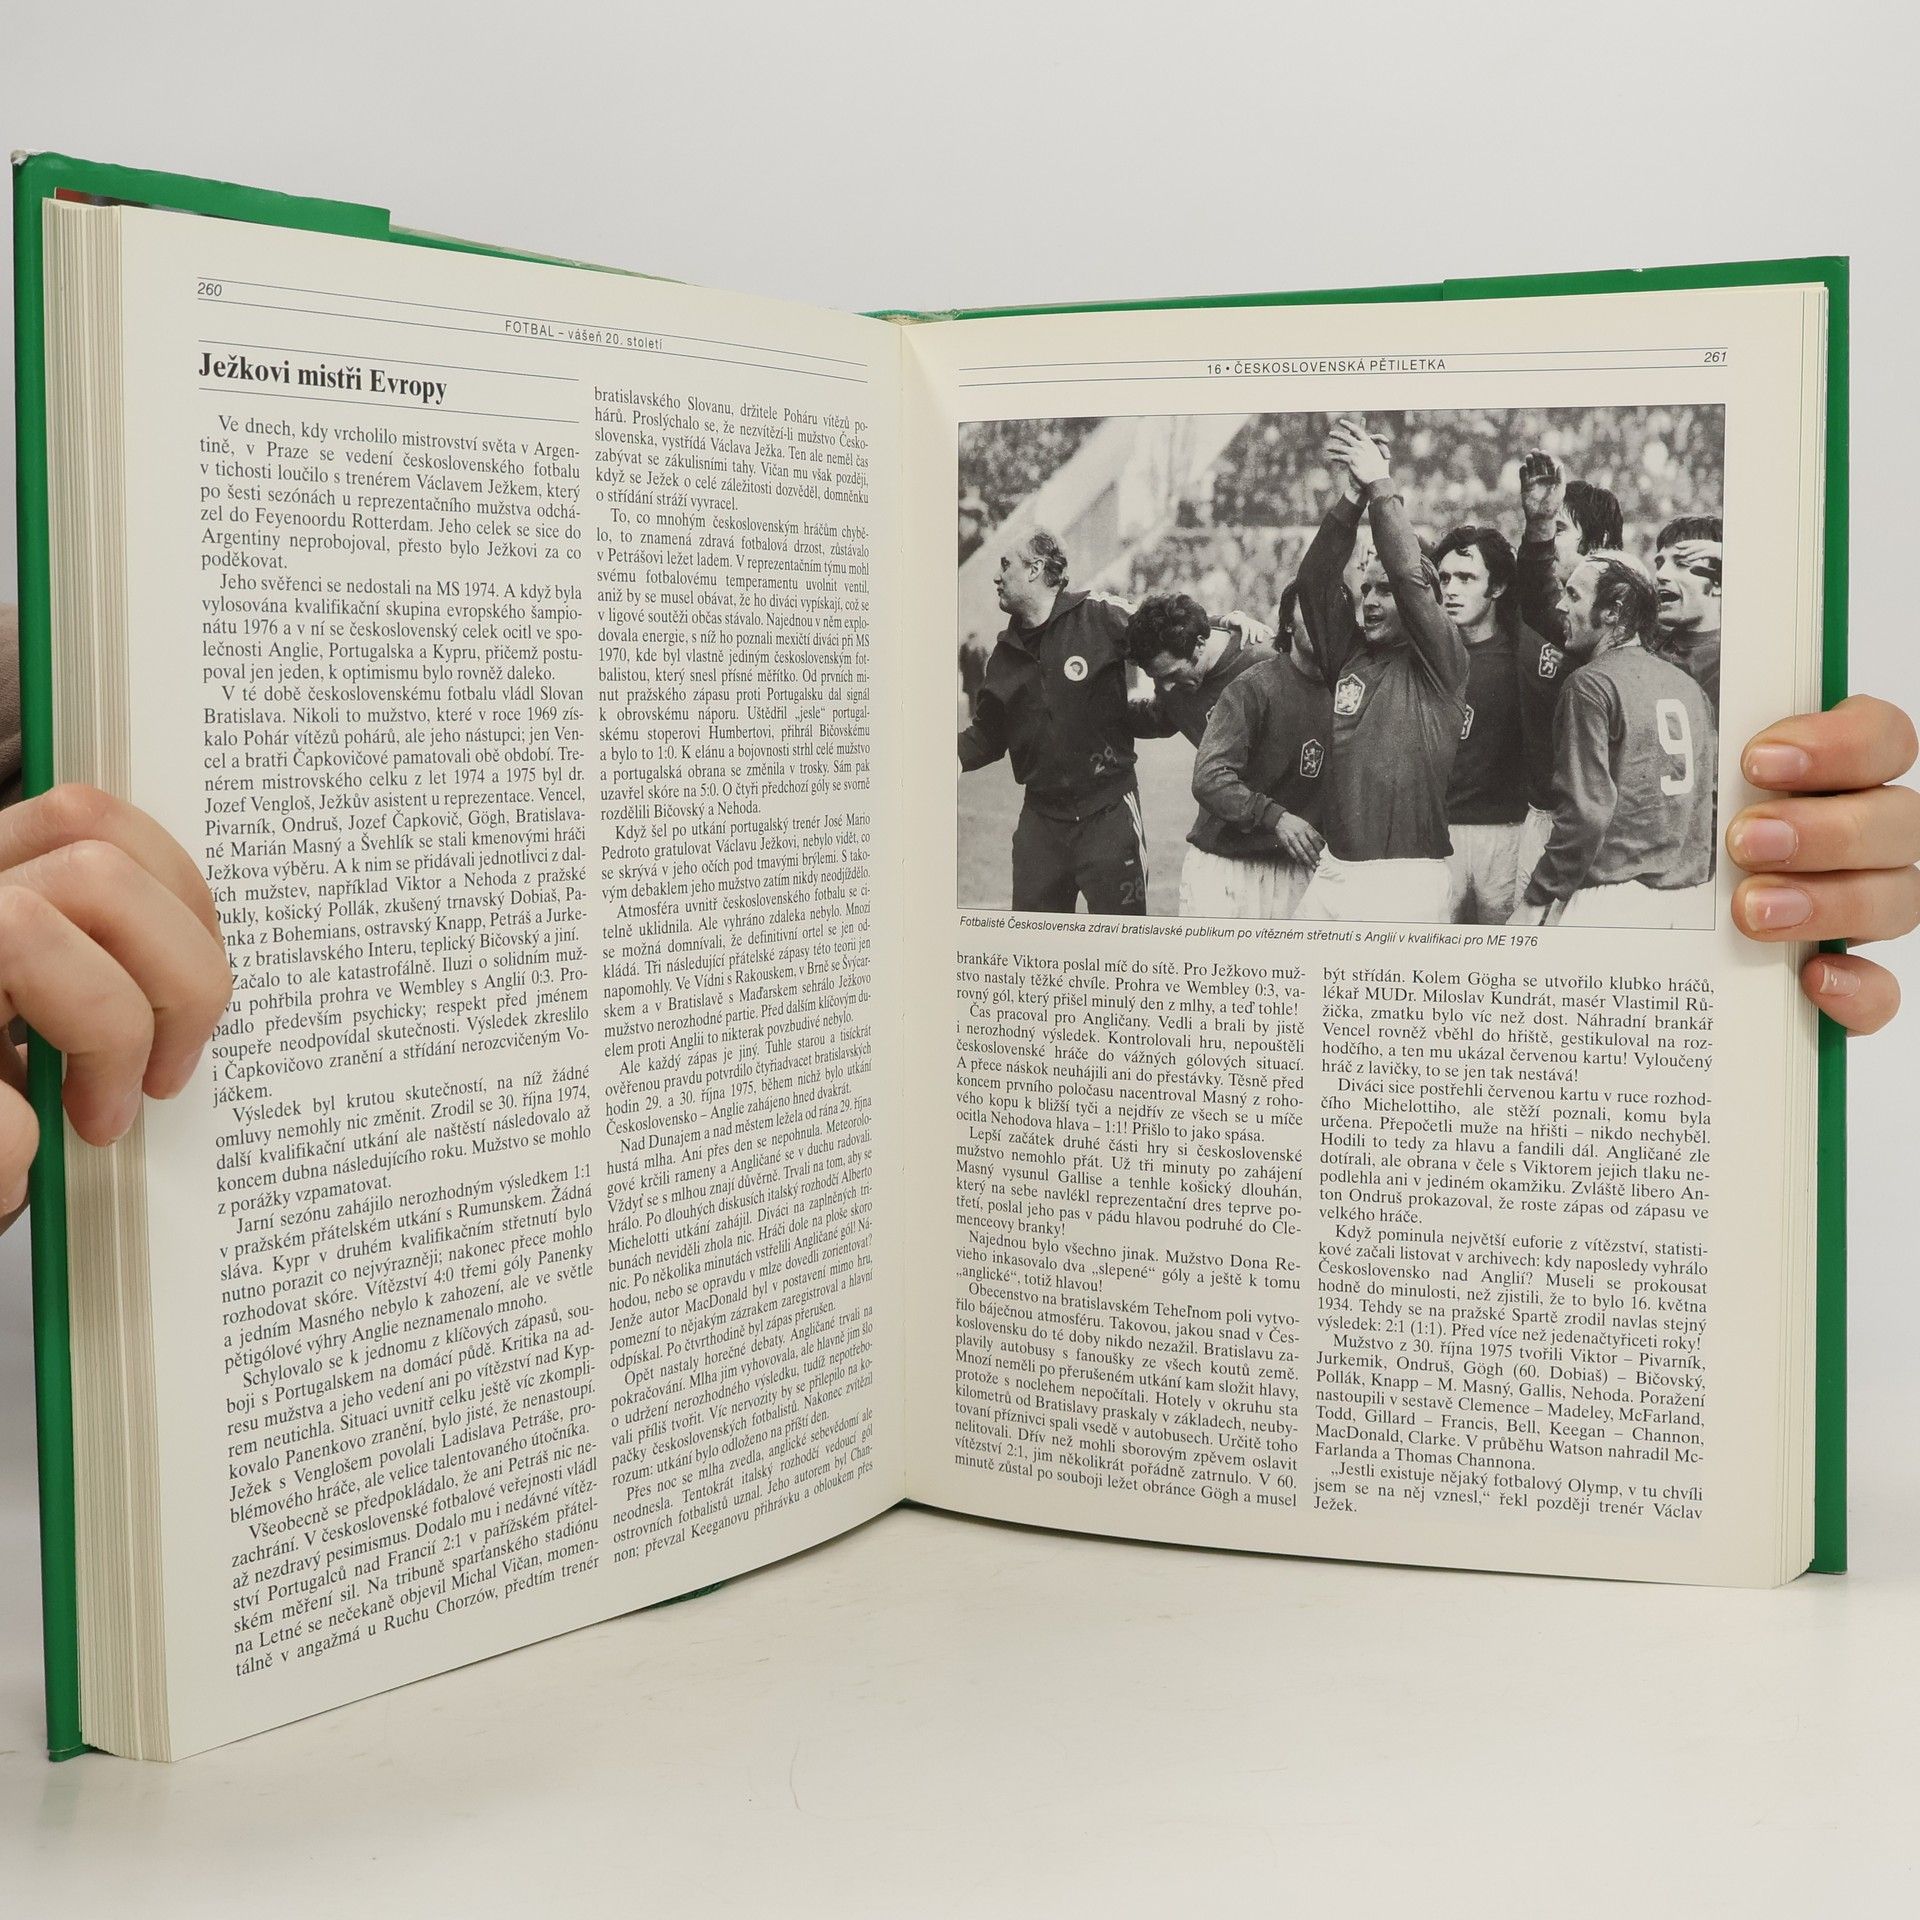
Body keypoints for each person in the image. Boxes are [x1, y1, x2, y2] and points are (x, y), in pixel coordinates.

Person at [1292, 419, 1468, 922]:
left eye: (1384, 591)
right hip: (1334, 869)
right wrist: (1352, 496)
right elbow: (1313, 582)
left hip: (1403, 877)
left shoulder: (1442, 663)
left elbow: (1410, 576)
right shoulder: (1350, 656)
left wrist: (1381, 487)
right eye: (1366, 589)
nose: (1369, 600)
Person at [958, 529, 1166, 913]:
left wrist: (1225, 625)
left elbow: (1164, 626)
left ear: (1034, 569)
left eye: (1005, 565)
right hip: (1041, 824)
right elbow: (987, 735)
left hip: (1108, 814)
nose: (997, 577)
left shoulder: (1098, 615)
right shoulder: (1002, 657)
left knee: (1122, 939)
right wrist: (949, 758)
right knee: (1034, 941)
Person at [1511, 553, 1717, 926]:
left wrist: (1535, 898)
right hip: (1689, 901)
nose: (1561, 606)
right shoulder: (1689, 687)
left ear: (1613, 611)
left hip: (1612, 900)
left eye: (1574, 595)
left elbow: (1586, 813)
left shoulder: (1590, 684)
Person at [1510, 449, 1624, 902]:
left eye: (1561, 529)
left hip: (1600, 826)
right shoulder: (1555, 615)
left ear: (1599, 544)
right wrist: (1539, 523)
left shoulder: (1626, 626)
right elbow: (1536, 591)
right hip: (1540, 816)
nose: (1551, 542)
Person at [1184, 580, 1332, 917]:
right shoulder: (1254, 686)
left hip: (1299, 868)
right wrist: (1275, 817)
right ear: (1288, 624)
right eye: (1310, 608)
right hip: (1229, 867)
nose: (1323, 618)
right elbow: (1209, 778)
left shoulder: (1349, 690)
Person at [1432, 525, 1533, 923]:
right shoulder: (1429, 657)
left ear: (1498, 587)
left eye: (1466, 578)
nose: (1451, 590)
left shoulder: (1521, 657)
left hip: (1505, 833)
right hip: (1440, 835)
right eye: (1444, 579)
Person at [1650, 515, 1723, 707]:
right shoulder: (1645, 642)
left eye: (1681, 564)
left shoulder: (1732, 662)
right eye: (1659, 564)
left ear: (1718, 584)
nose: (1660, 575)